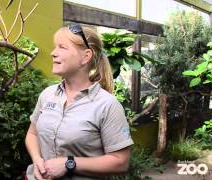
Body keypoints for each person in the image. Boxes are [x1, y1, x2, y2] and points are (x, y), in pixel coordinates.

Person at [25, 23, 134, 180]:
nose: (53, 53)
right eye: (55, 47)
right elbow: (32, 134)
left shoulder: (107, 105)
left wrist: (68, 164)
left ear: (86, 56)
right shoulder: (47, 95)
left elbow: (120, 162)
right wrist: (37, 160)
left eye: (62, 47)